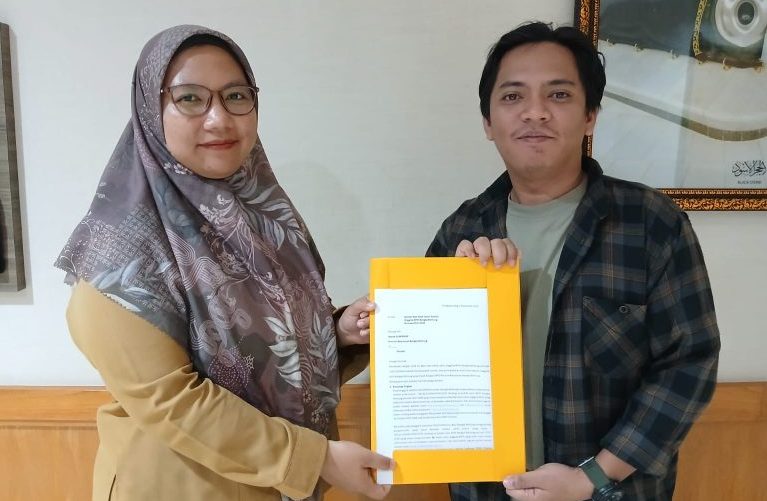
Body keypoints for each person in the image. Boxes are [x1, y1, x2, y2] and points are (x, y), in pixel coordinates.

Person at [55, 25, 392, 501]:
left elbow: (269, 358)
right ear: (151, 110)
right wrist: (315, 459)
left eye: (236, 96)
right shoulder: (118, 253)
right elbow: (173, 402)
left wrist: (337, 334)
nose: (219, 119)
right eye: (191, 98)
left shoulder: (267, 225)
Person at [426, 22, 720, 501]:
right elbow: (427, 364)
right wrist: (375, 321)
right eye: (513, 96)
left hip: (610, 491)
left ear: (590, 116)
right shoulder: (460, 230)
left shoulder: (651, 224)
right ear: (488, 122)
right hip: (486, 490)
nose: (535, 112)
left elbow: (688, 365)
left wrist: (593, 477)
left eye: (559, 95)